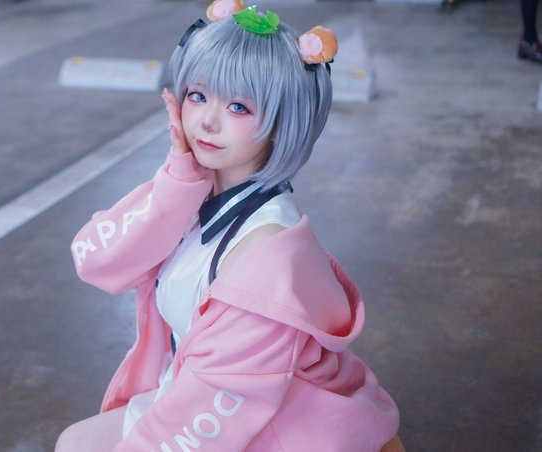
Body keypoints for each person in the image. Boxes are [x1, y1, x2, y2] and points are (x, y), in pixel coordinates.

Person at [57, 1, 401, 450]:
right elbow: (96, 261)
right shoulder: (196, 189)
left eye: (238, 107)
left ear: (280, 124)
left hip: (277, 422)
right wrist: (177, 178)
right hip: (208, 394)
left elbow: (223, 402)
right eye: (198, 96)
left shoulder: (264, 256)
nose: (207, 121)